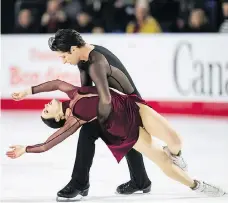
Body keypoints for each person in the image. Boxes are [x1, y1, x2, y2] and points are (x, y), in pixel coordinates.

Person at [7, 79, 226, 199]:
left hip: (134, 109)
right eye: (46, 112)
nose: (45, 107)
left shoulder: (72, 93)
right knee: (162, 162)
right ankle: (197, 186)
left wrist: (28, 91)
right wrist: (25, 149)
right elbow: (48, 144)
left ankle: (178, 155)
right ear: (58, 118)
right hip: (129, 132)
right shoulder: (74, 121)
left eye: (44, 108)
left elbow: (55, 83)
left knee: (176, 140)